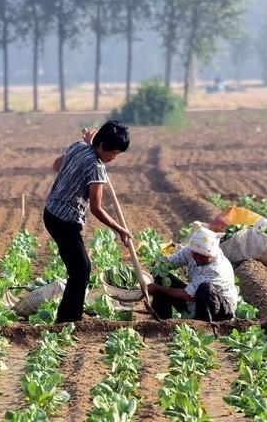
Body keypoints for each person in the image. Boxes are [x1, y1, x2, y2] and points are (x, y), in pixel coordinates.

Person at [44, 120, 132, 323]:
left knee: (78, 269)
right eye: (113, 153)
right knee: (81, 270)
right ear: (102, 145)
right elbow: (96, 208)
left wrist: (87, 147)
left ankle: (68, 317)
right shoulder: (97, 168)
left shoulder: (77, 147)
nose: (114, 158)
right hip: (65, 221)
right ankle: (68, 320)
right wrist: (120, 229)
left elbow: (56, 165)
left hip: (50, 213)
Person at [147, 227, 239, 322]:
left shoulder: (217, 269)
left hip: (220, 311)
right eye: (195, 254)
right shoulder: (192, 250)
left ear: (212, 255)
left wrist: (158, 289)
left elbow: (187, 295)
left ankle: (204, 326)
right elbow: (170, 262)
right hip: (194, 301)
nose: (197, 258)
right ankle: (161, 322)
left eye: (203, 256)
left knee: (205, 289)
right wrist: (157, 266)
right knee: (161, 276)